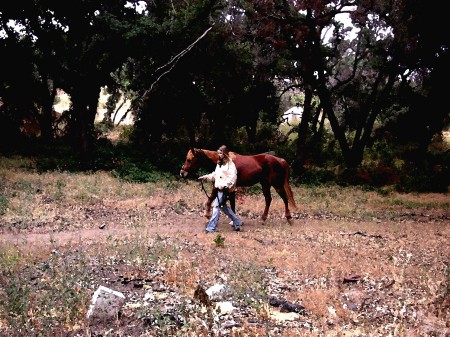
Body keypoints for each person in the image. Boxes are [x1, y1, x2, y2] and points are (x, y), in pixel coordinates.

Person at [198, 145, 243, 233]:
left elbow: (233, 177)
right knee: (223, 207)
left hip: (225, 189)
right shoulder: (219, 164)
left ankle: (210, 228)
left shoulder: (231, 165)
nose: (219, 155)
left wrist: (225, 185)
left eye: (221, 153)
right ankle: (237, 222)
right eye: (218, 153)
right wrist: (205, 177)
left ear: (225, 153)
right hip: (219, 188)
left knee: (216, 206)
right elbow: (215, 175)